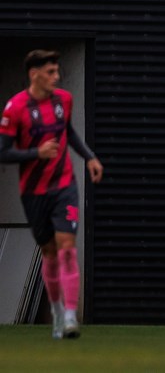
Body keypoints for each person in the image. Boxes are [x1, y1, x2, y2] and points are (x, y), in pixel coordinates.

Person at [0, 49, 104, 340]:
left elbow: (68, 132)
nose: (57, 77)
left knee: (67, 248)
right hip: (34, 191)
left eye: (57, 71)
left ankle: (70, 316)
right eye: (50, 72)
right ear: (34, 74)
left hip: (64, 186)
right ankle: (57, 311)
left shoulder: (64, 100)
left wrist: (90, 157)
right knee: (49, 252)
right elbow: (3, 152)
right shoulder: (15, 108)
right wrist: (37, 153)